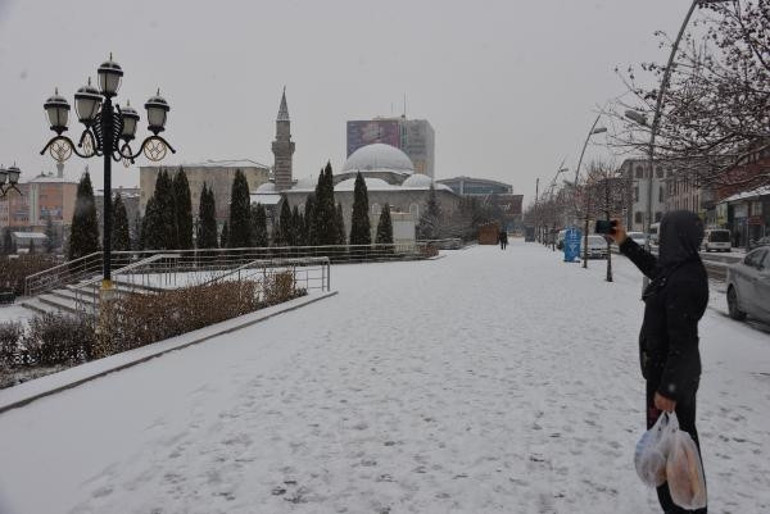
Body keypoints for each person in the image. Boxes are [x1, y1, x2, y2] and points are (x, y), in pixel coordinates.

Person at [609, 211, 709, 514]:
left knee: (676, 452)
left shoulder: (685, 280)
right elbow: (655, 268)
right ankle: (682, 505)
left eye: (665, 233)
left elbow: (684, 344)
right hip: (667, 376)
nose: (661, 238)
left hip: (671, 382)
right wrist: (624, 242)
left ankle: (685, 507)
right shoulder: (678, 270)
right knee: (671, 446)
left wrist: (668, 390)